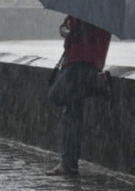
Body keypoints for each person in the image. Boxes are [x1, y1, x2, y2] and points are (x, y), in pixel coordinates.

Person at [46, 15, 112, 176]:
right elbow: (65, 28)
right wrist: (67, 30)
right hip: (86, 66)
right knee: (73, 114)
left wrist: (72, 31)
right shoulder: (102, 14)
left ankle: (68, 163)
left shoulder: (88, 13)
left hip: (78, 66)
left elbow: (71, 32)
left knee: (68, 112)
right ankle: (70, 163)